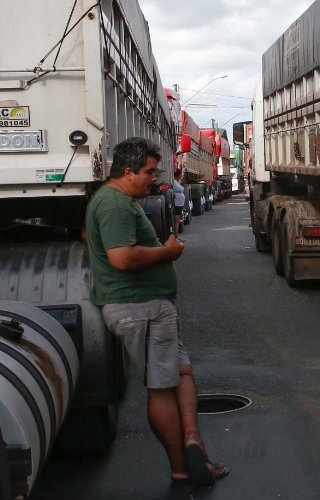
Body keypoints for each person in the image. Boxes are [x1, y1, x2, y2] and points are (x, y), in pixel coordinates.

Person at [85, 137, 228, 486]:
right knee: (161, 387)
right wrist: (168, 253)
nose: (154, 178)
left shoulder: (115, 201)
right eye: (149, 171)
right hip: (141, 308)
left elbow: (96, 242)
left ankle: (193, 439)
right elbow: (122, 257)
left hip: (152, 309)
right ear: (128, 171)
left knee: (181, 374)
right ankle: (182, 466)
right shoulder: (115, 205)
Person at [172, 168, 185, 241]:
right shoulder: (174, 182)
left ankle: (176, 235)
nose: (182, 175)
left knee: (177, 219)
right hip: (177, 203)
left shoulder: (177, 181)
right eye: (181, 174)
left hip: (179, 203)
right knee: (176, 219)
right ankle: (175, 235)